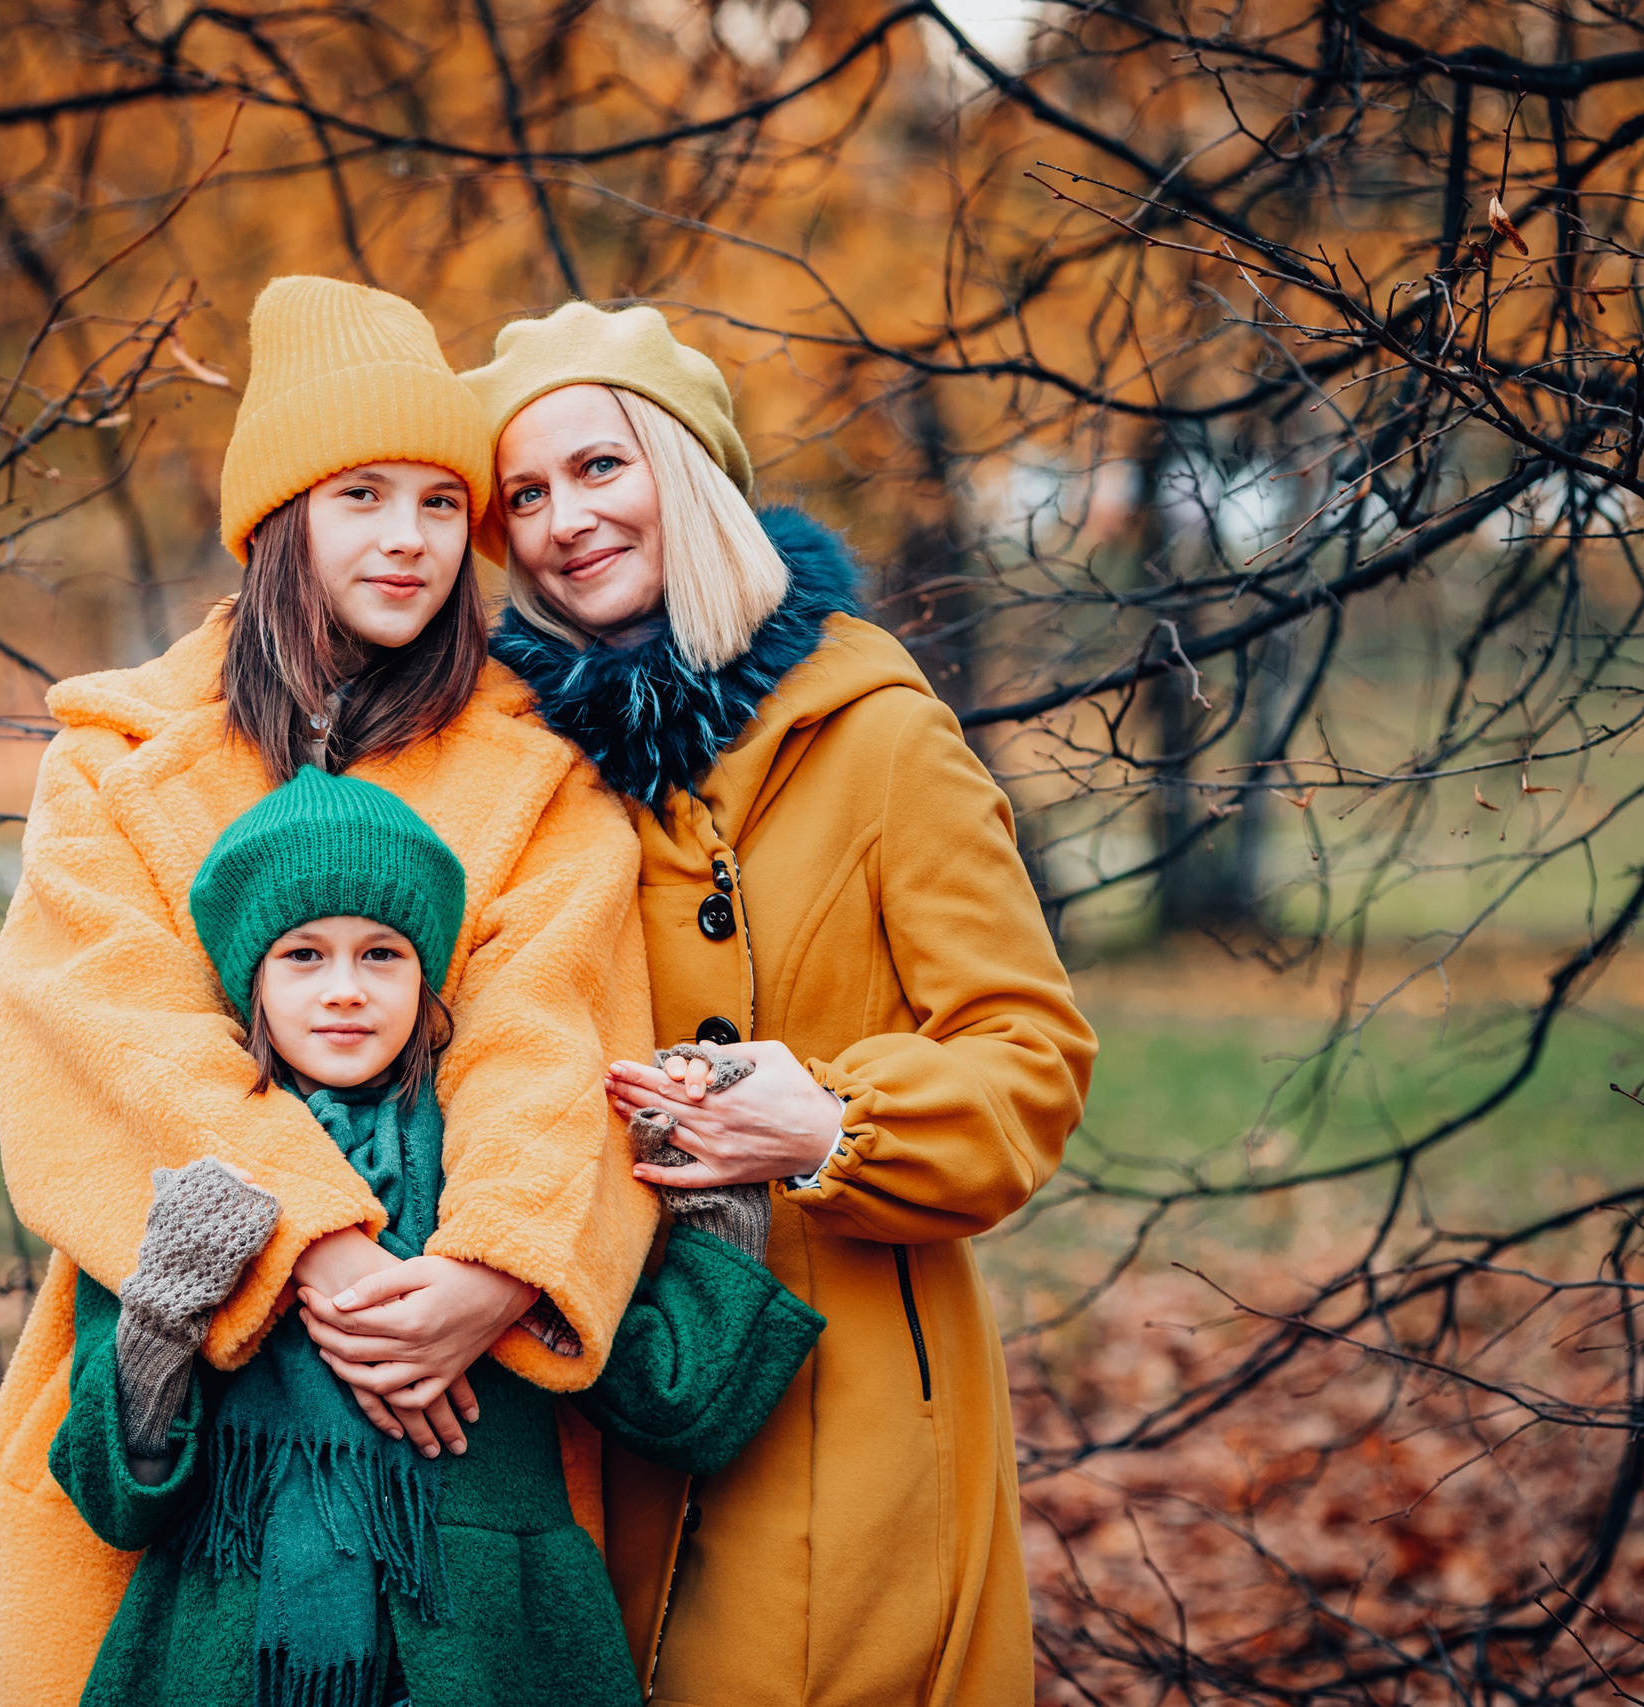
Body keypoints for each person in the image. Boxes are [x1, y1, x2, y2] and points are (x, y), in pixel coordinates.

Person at [0, 278, 660, 1707]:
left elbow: (551, 1030)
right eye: (361, 493)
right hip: (187, 1416)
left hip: (462, 1433)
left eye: (437, 500)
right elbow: (113, 1040)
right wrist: (319, 1245)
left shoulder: (538, 771)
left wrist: (487, 1269)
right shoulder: (120, 760)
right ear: (282, 518)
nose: (408, 538)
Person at [463, 301, 1099, 1707]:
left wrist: (831, 1121)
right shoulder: (513, 765)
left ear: (685, 469)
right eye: (526, 494)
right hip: (601, 1383)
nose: (565, 518)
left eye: (600, 465)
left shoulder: (874, 727)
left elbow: (1030, 1057)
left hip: (852, 1382)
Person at [46, 767, 822, 1707]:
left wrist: (717, 1201)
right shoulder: (191, 1172)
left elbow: (678, 1405)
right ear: (249, 972)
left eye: (382, 954)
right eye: (303, 954)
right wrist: (167, 1314)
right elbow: (117, 1496)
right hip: (223, 1645)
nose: (344, 989)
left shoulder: (499, 1169)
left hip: (495, 1646)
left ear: (428, 973)